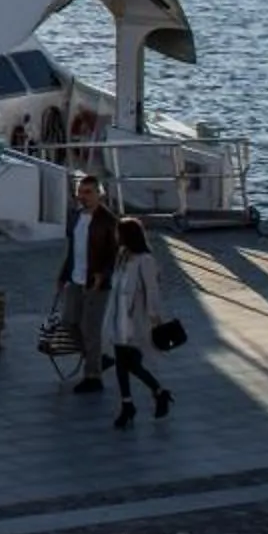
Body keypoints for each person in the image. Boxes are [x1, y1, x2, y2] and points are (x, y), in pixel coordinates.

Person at [104, 216, 175, 428]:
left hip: (135, 319)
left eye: (119, 233)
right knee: (122, 363)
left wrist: (155, 318)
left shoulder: (145, 260)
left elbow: (152, 292)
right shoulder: (122, 256)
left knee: (130, 363)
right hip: (118, 317)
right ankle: (130, 403)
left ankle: (153, 394)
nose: (116, 237)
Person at [57, 173, 116, 393]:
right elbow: (73, 250)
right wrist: (63, 276)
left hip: (96, 284)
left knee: (91, 330)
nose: (83, 196)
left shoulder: (108, 221)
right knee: (69, 322)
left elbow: (115, 254)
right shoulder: (75, 217)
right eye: (80, 192)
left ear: (100, 194)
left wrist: (102, 275)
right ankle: (97, 358)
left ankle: (93, 376)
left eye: (89, 192)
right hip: (75, 279)